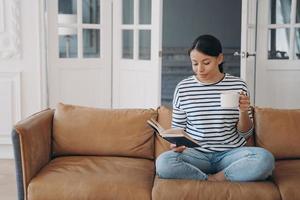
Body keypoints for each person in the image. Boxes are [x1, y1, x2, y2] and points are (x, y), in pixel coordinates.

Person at [156, 34, 274, 182]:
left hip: (230, 154)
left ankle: (219, 177)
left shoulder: (238, 85)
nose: (200, 69)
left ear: (219, 58)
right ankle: (209, 178)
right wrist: (176, 144)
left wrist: (243, 111)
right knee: (163, 163)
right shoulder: (183, 88)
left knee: (264, 159)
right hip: (196, 155)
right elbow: (178, 129)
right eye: (195, 63)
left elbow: (246, 134)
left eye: (206, 62)